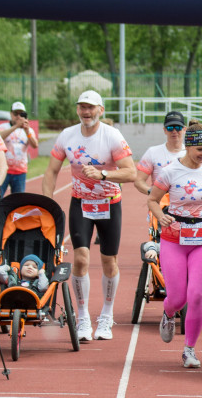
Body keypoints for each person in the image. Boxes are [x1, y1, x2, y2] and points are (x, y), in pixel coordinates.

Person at [43, 90, 136, 342]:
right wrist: (48, 203)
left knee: (109, 262)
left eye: (91, 108)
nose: (86, 112)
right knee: (81, 259)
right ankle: (83, 317)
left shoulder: (112, 136)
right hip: (81, 203)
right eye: (82, 107)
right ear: (77, 110)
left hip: (109, 204)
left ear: (100, 110)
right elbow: (51, 171)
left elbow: (131, 173)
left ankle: (106, 315)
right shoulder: (67, 136)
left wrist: (103, 175)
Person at [147, 123, 202, 366]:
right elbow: (152, 200)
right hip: (174, 239)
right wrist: (160, 215)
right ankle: (169, 312)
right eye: (200, 150)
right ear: (188, 146)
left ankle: (189, 350)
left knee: (196, 295)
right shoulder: (170, 171)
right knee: (177, 298)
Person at [134, 111, 186, 196]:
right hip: (159, 205)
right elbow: (139, 181)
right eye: (170, 128)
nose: (174, 131)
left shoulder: (190, 153)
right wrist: (152, 193)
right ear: (165, 130)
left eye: (178, 127)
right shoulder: (153, 152)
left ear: (184, 129)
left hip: (184, 206)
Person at [0, 101, 38, 197]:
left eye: (21, 114)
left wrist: (27, 130)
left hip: (20, 171)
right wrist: (16, 126)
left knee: (18, 200)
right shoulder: (3, 127)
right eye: (15, 114)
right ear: (11, 114)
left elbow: (35, 145)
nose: (18, 116)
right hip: (4, 170)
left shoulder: (28, 130)